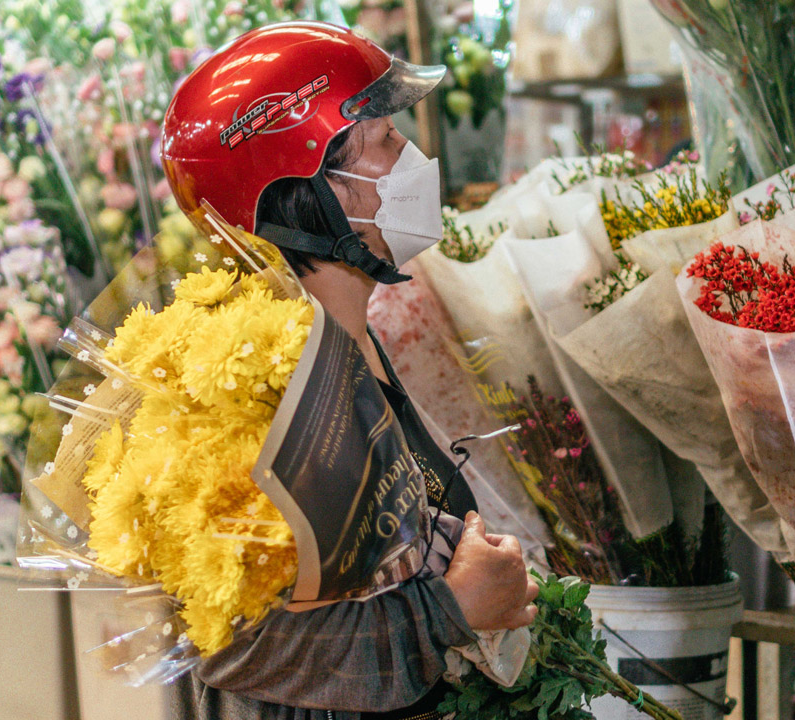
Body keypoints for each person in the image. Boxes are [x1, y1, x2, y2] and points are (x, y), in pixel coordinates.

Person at [160, 21, 538, 720]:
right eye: (387, 142)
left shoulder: (345, 340)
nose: (415, 160)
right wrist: (447, 612)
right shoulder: (256, 399)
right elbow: (231, 647)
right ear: (309, 189)